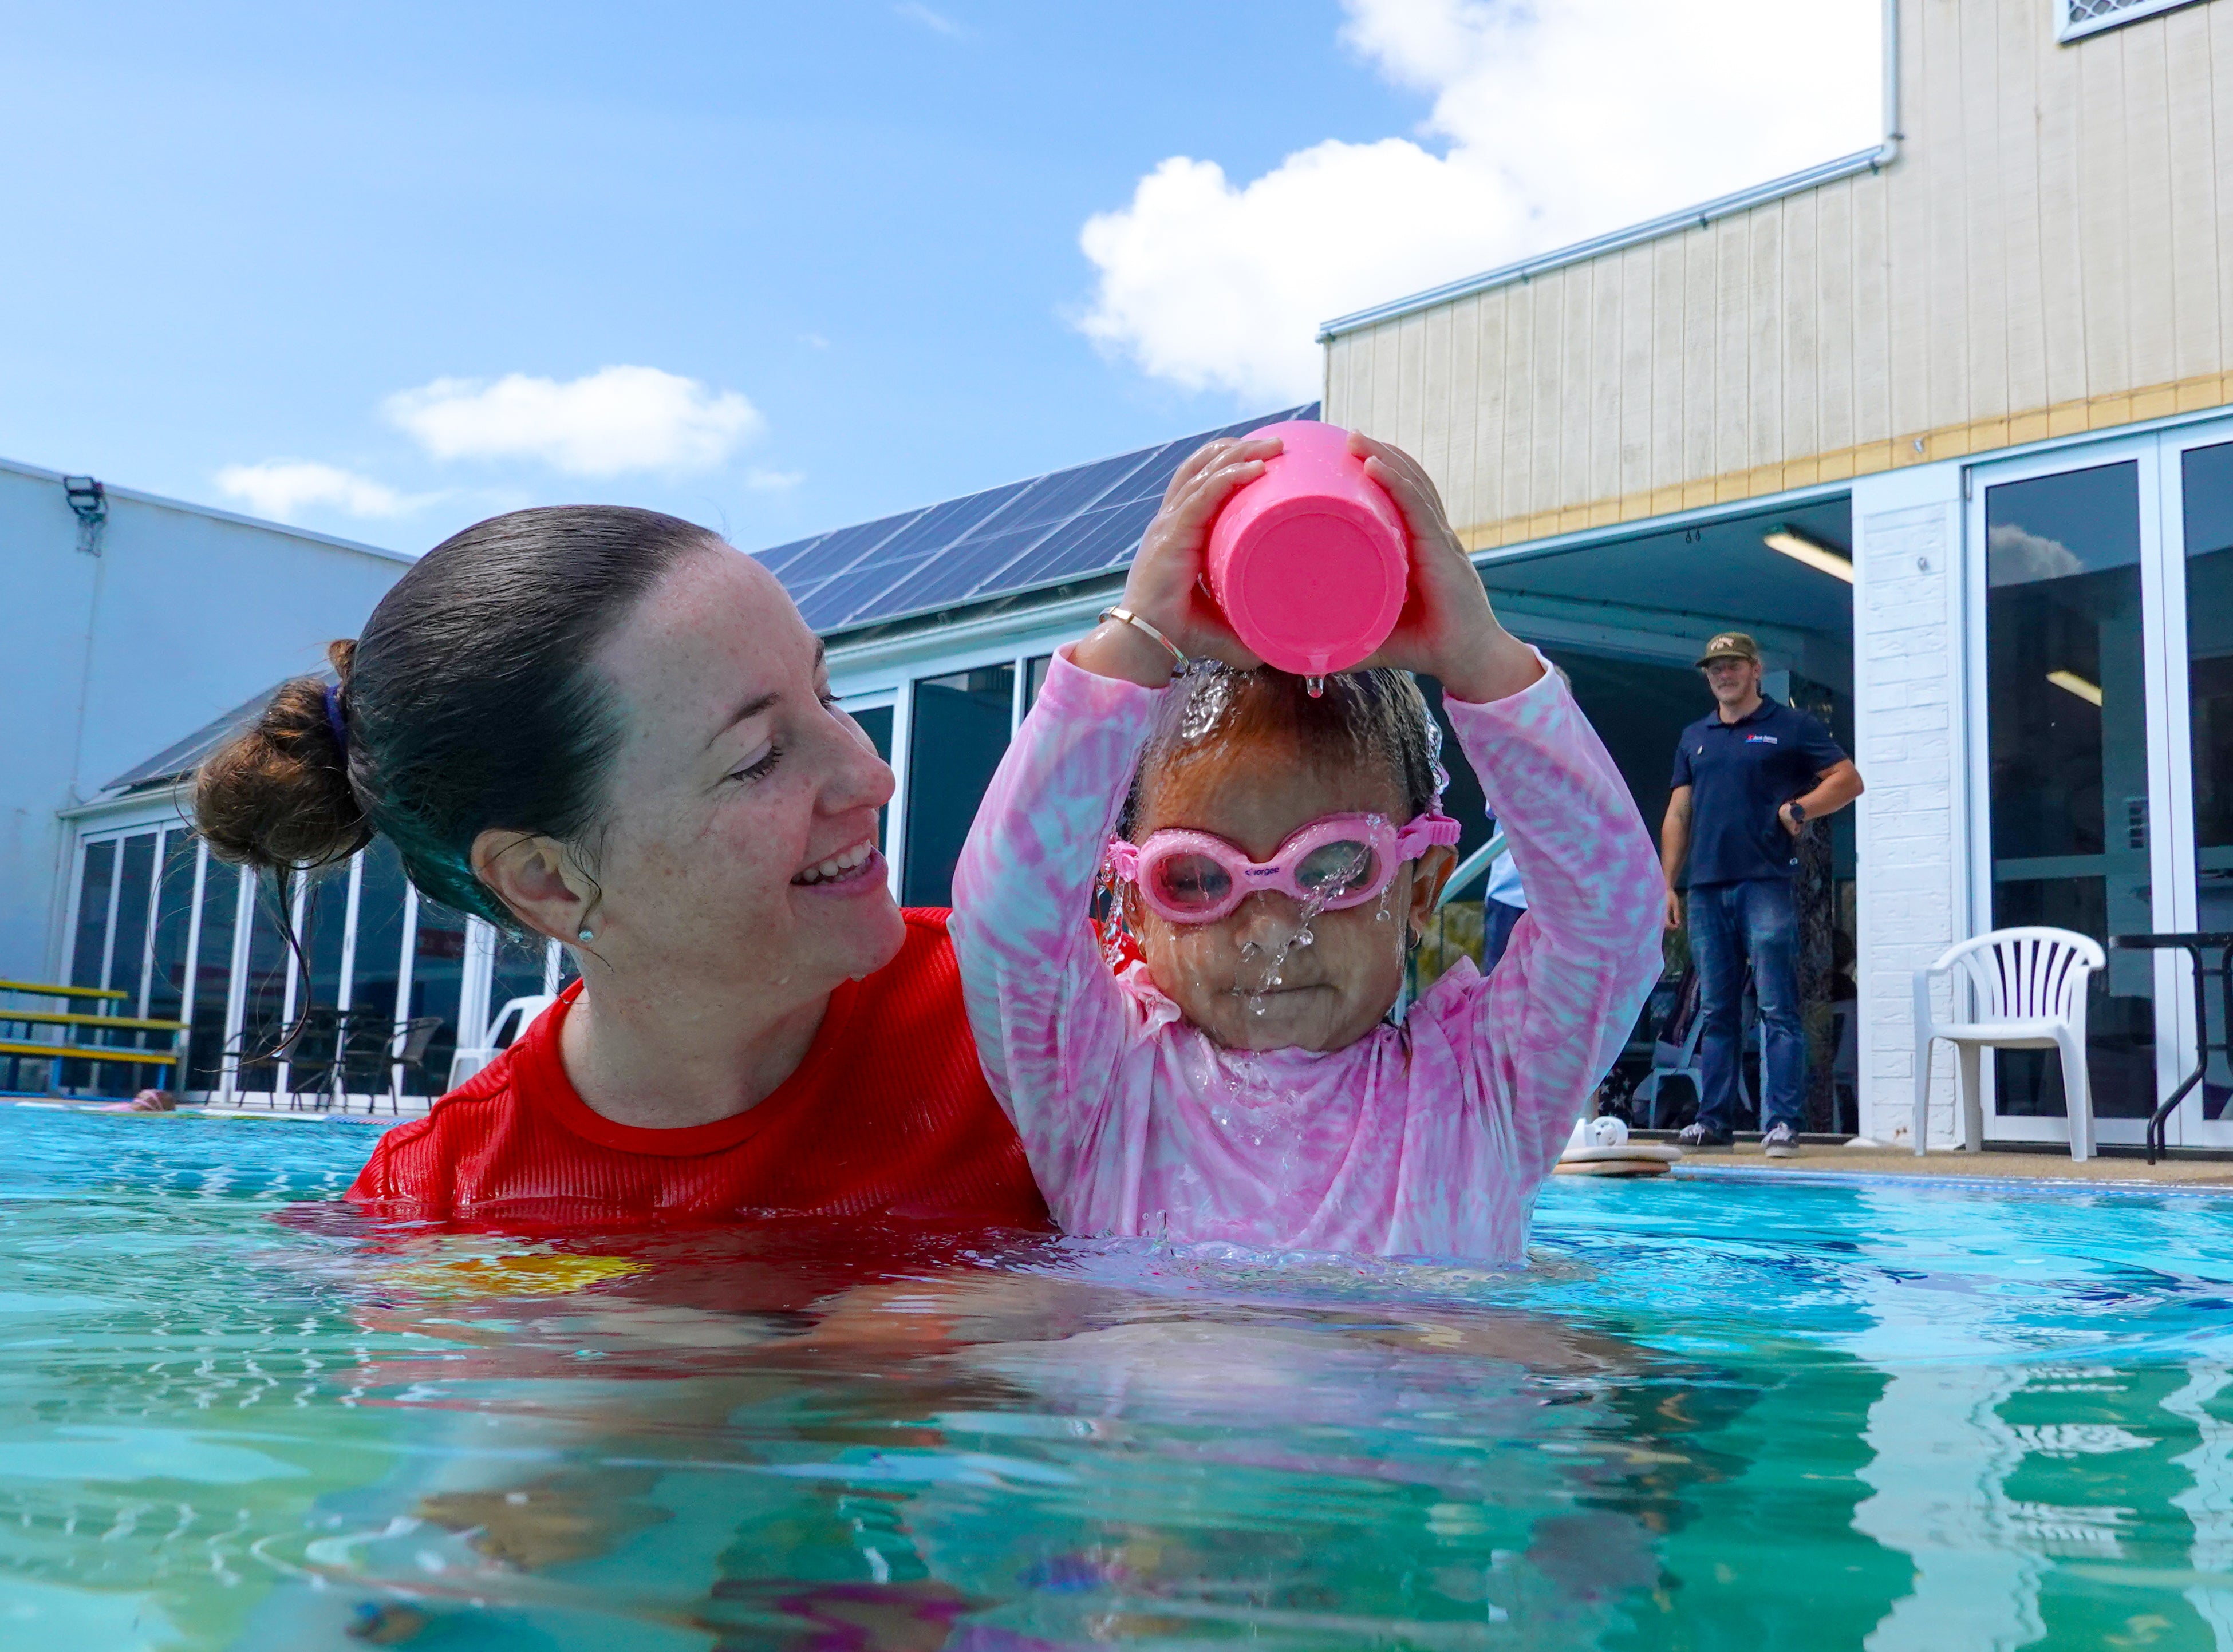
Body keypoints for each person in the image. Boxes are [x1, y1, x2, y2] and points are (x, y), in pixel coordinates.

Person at [193, 506, 1048, 1228]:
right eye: (756, 757)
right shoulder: (443, 1205)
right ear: (547, 880)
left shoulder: (1053, 1003)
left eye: (826, 695)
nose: (873, 777)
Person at [949, 433, 1664, 1260]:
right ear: (1132, 903)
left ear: (1423, 887)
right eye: (1195, 876)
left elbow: (1611, 925)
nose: (1268, 929)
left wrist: (1476, 658)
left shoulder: (1485, 1094)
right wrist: (1136, 640)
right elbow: (1005, 923)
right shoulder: (1102, 1088)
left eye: (1332, 867)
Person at [1659, 631, 1863, 1157]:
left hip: (1766, 882)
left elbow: (1848, 779)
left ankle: (1782, 1124)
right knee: (1718, 1009)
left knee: (1777, 1006)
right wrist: (1666, 883)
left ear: (1755, 669)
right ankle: (1714, 1120)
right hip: (1705, 887)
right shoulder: (1693, 736)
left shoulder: (1790, 726)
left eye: (1732, 666)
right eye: (1714, 668)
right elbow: (1679, 813)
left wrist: (1801, 809)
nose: (1722, 675)